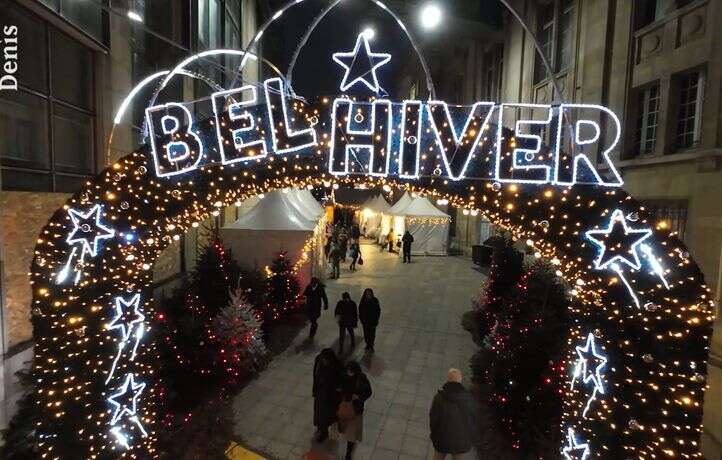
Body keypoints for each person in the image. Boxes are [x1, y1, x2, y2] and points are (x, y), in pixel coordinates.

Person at [429, 369, 478, 460]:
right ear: (460, 381)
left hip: (442, 437)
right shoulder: (468, 398)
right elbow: (473, 418)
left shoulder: (439, 398)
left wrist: (434, 433)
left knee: (438, 456)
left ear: (448, 380)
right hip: (461, 440)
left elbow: (433, 418)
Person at [337, 361, 372, 459]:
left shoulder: (361, 379)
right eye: (348, 371)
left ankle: (349, 452)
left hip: (355, 410)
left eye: (351, 371)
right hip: (345, 406)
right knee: (344, 429)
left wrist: (359, 397)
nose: (349, 373)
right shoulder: (343, 377)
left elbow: (368, 392)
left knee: (351, 433)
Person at [313, 348, 341, 443]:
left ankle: (324, 432)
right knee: (319, 412)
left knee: (325, 414)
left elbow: (339, 382)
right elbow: (315, 375)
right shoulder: (319, 361)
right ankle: (322, 427)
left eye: (326, 360)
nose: (324, 361)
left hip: (330, 395)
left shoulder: (336, 367)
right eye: (323, 359)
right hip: (320, 392)